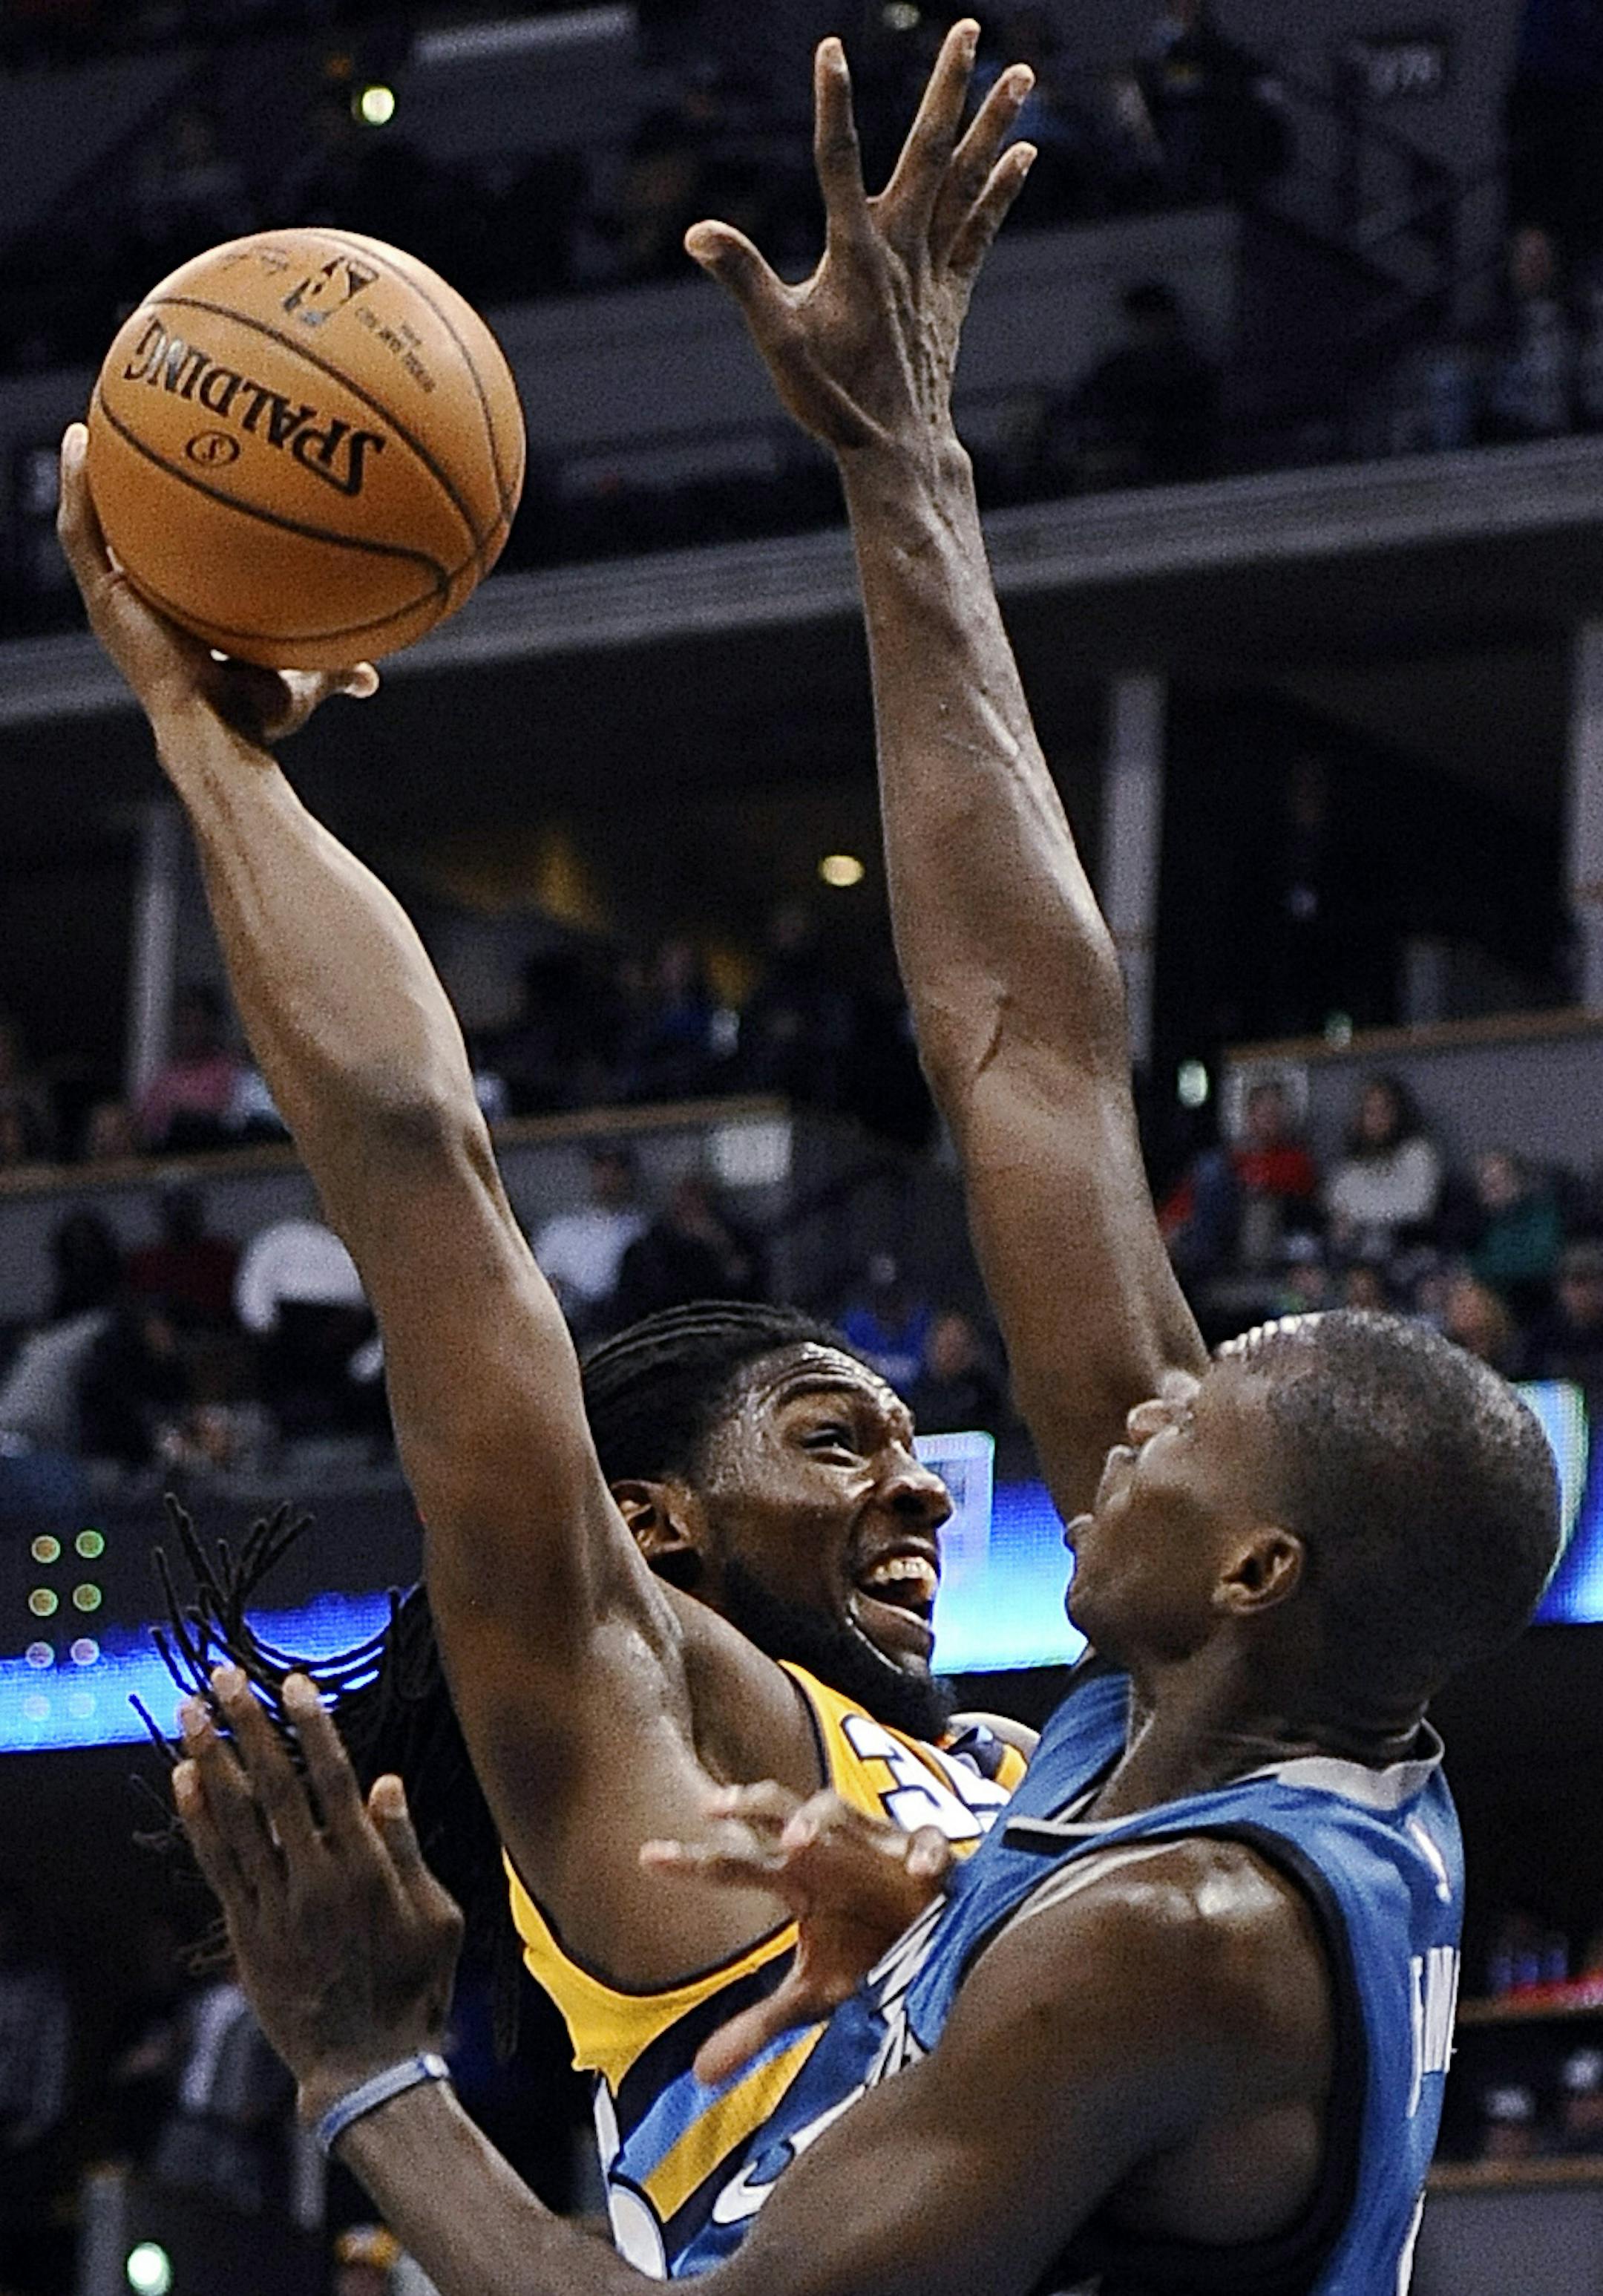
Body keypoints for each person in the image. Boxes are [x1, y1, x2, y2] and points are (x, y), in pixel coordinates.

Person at [167, 25, 1561, 2295]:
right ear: (656, 1525)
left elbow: (438, 1197)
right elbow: (1026, 1050)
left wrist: (359, 2065)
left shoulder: (1168, 1900)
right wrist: (907, 459)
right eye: (844, 1432)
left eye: (1191, 1418)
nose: (1093, 1426)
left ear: (1258, 1567)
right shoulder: (1110, 1746)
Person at [56, 153, 1027, 2272]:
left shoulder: (1011, 1765)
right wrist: (205, 744)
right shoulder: (657, 1719)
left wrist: (914, 477)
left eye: (896, 1433)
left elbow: (1044, 1064)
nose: (924, 1488)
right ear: (651, 1521)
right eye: (832, 1433)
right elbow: (428, 1182)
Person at [1322, 1071, 1442, 1263]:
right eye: (1370, 1111)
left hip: (1406, 1251)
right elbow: (1334, 1206)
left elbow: (1417, 1208)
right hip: (1356, 1256)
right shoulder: (1350, 1166)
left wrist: (1359, 1215)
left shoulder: (1417, 1153)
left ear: (1398, 1113)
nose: (1377, 1119)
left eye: (1384, 1110)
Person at [531, 1145, 650, 1335]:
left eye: (616, 1169)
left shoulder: (643, 1232)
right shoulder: (560, 1231)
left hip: (623, 1330)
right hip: (567, 1332)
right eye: (601, 1167)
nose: (608, 1177)